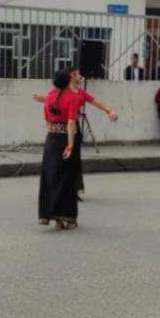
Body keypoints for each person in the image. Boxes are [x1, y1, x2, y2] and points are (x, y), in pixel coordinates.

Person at [32, 68, 117, 199]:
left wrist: (109, 111)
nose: (81, 76)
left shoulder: (80, 93)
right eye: (78, 74)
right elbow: (51, 99)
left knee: (73, 161)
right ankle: (62, 191)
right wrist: (40, 98)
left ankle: (73, 189)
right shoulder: (59, 91)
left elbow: (94, 101)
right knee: (60, 162)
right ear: (72, 76)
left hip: (73, 129)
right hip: (61, 131)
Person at [37, 68, 80, 230]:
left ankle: (53, 216)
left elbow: (47, 122)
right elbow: (71, 124)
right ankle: (67, 217)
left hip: (51, 140)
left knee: (50, 179)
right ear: (68, 80)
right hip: (64, 140)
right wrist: (70, 145)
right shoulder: (72, 98)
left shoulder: (48, 98)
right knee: (66, 180)